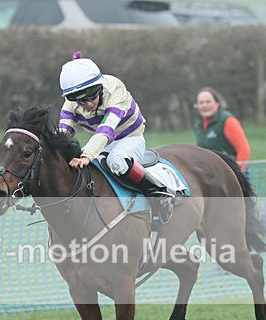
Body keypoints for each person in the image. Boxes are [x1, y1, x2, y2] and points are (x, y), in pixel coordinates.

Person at [58, 51, 174, 222]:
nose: (88, 104)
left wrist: (87, 155)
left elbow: (107, 128)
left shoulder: (115, 90)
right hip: (103, 142)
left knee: (117, 161)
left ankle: (159, 192)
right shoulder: (71, 103)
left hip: (130, 138)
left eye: (92, 97)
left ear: (99, 88)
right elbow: (63, 133)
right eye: (81, 101)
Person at [194, 87, 250, 173]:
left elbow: (243, 150)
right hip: (210, 174)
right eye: (201, 103)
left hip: (231, 173)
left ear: (217, 103)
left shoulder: (228, 121)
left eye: (208, 102)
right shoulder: (198, 124)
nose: (204, 105)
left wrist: (239, 172)